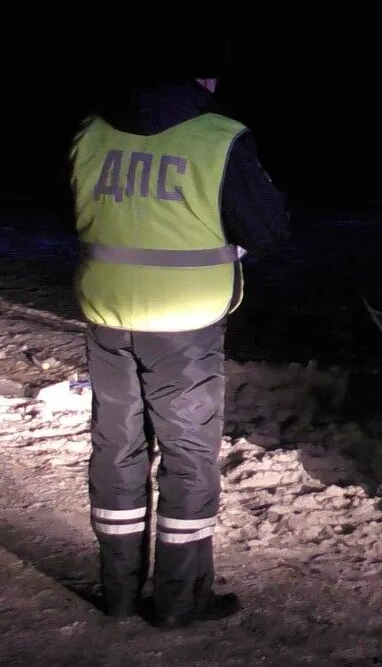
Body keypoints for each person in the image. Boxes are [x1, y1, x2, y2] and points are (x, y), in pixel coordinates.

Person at [70, 33, 288, 627]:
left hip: (106, 314)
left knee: (115, 448)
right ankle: (178, 601)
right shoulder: (220, 138)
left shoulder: (91, 132)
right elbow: (268, 230)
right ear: (205, 81)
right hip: (184, 323)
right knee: (188, 456)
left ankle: (117, 595)